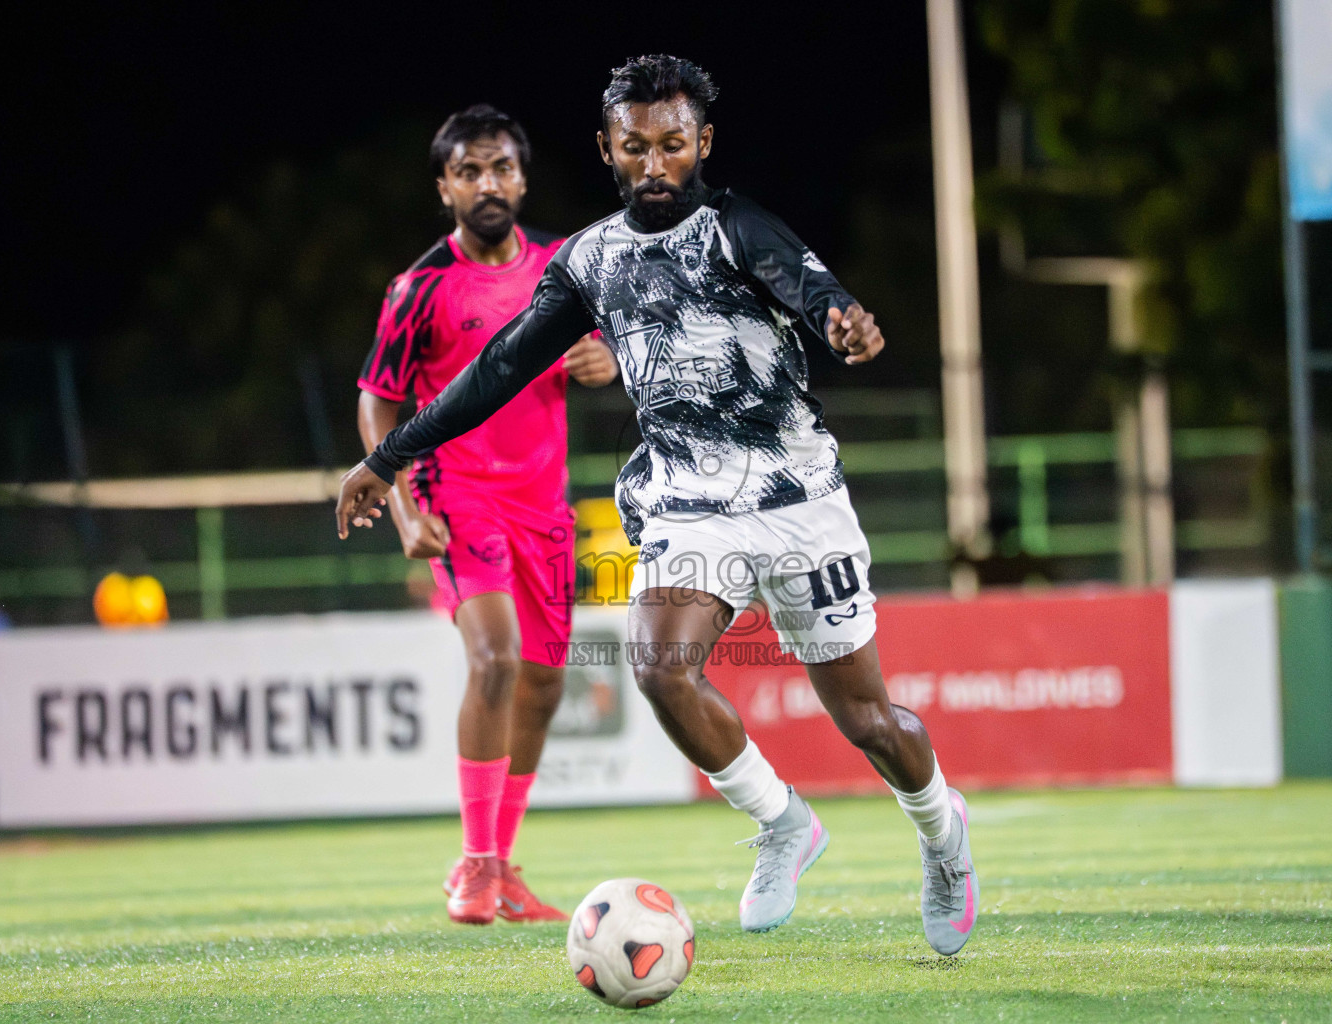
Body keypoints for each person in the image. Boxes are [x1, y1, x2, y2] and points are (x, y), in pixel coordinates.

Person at [339, 59, 977, 956]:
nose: (653, 164)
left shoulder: (737, 226)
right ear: (607, 147)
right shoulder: (588, 261)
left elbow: (810, 286)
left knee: (871, 724)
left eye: (672, 145)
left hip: (797, 498)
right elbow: (495, 373)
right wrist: (387, 456)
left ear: (701, 144)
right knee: (659, 666)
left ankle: (942, 838)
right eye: (634, 147)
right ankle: (782, 821)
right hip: (687, 499)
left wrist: (842, 318)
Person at [355, 104, 619, 926]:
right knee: (497, 659)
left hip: (542, 504)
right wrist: (401, 502)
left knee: (542, 685)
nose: (488, 183)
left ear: (523, 177)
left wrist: (604, 359)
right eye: (468, 171)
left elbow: (615, 353)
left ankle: (501, 865)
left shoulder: (562, 268)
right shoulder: (420, 288)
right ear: (445, 188)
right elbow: (376, 402)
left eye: (500, 167)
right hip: (454, 491)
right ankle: (473, 864)